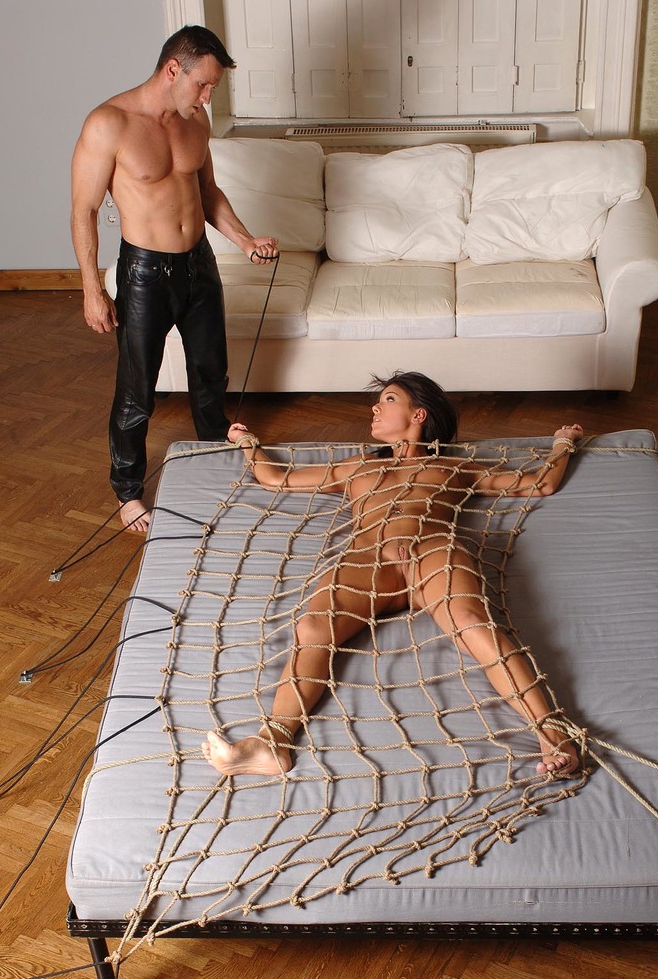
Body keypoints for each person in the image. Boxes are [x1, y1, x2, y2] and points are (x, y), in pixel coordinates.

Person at [202, 371, 583, 781]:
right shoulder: (358, 466)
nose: (374, 407)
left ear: (419, 414)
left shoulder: (453, 466)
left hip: (432, 552)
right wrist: (247, 443)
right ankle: (273, 743)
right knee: (312, 627)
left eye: (387, 399)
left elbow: (539, 484)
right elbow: (277, 478)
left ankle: (553, 735)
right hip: (369, 559)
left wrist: (563, 444)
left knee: (473, 623)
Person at [70, 25, 279, 534]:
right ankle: (127, 491)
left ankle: (212, 454)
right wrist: (92, 289)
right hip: (145, 273)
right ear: (172, 70)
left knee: (211, 372)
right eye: (203, 84)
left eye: (213, 88)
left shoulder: (195, 120)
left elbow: (208, 192)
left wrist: (245, 240)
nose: (208, 97)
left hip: (199, 264)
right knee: (137, 390)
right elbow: (84, 210)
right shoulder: (108, 124)